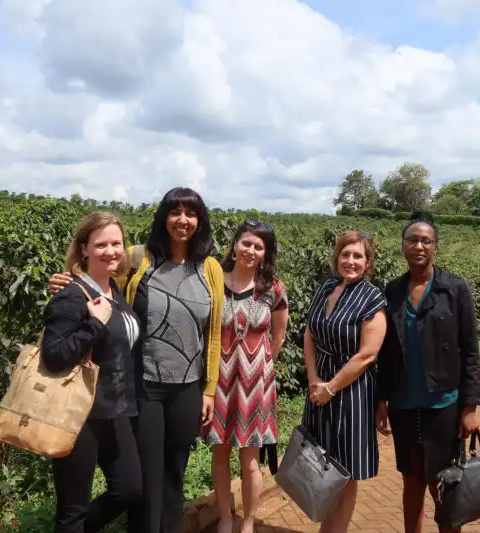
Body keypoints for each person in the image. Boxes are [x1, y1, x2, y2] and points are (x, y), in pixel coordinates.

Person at [48, 187, 224, 533]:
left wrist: (210, 389)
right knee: (145, 476)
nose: (183, 220)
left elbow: (214, 333)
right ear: (164, 217)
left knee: (174, 470)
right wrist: (65, 279)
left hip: (187, 387)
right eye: (175, 212)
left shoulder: (210, 269)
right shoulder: (140, 259)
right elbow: (97, 277)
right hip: (143, 384)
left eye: (191, 213)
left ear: (200, 221)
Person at [375, 213, 480, 533]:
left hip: (443, 404)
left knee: (445, 482)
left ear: (435, 247)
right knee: (411, 480)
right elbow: (384, 352)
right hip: (404, 405)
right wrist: (381, 400)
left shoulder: (455, 289)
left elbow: (471, 350)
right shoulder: (392, 291)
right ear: (403, 245)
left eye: (426, 240)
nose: (418, 245)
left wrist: (470, 407)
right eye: (412, 239)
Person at [41, 211, 142, 533]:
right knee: (73, 506)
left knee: (129, 487)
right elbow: (55, 356)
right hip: (78, 415)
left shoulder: (115, 288)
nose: (111, 251)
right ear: (84, 248)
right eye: (101, 244)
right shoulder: (71, 295)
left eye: (117, 243)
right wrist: (93, 324)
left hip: (115, 410)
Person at [203, 219, 289, 533]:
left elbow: (278, 337)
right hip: (219, 381)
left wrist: (258, 368)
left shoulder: (273, 290)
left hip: (256, 384)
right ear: (235, 245)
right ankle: (226, 518)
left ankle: (248, 522)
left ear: (265, 254)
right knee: (220, 452)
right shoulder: (213, 282)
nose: (250, 251)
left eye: (258, 247)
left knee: (251, 458)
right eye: (246, 243)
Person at [301, 231, 388, 533]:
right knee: (320, 460)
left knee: (345, 469)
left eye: (358, 256)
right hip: (319, 384)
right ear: (337, 257)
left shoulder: (372, 297)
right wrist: (314, 379)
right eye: (345, 254)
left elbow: (367, 355)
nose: (350, 261)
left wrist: (331, 387)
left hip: (351, 390)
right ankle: (326, 523)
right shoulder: (326, 287)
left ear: (367, 262)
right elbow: (310, 333)